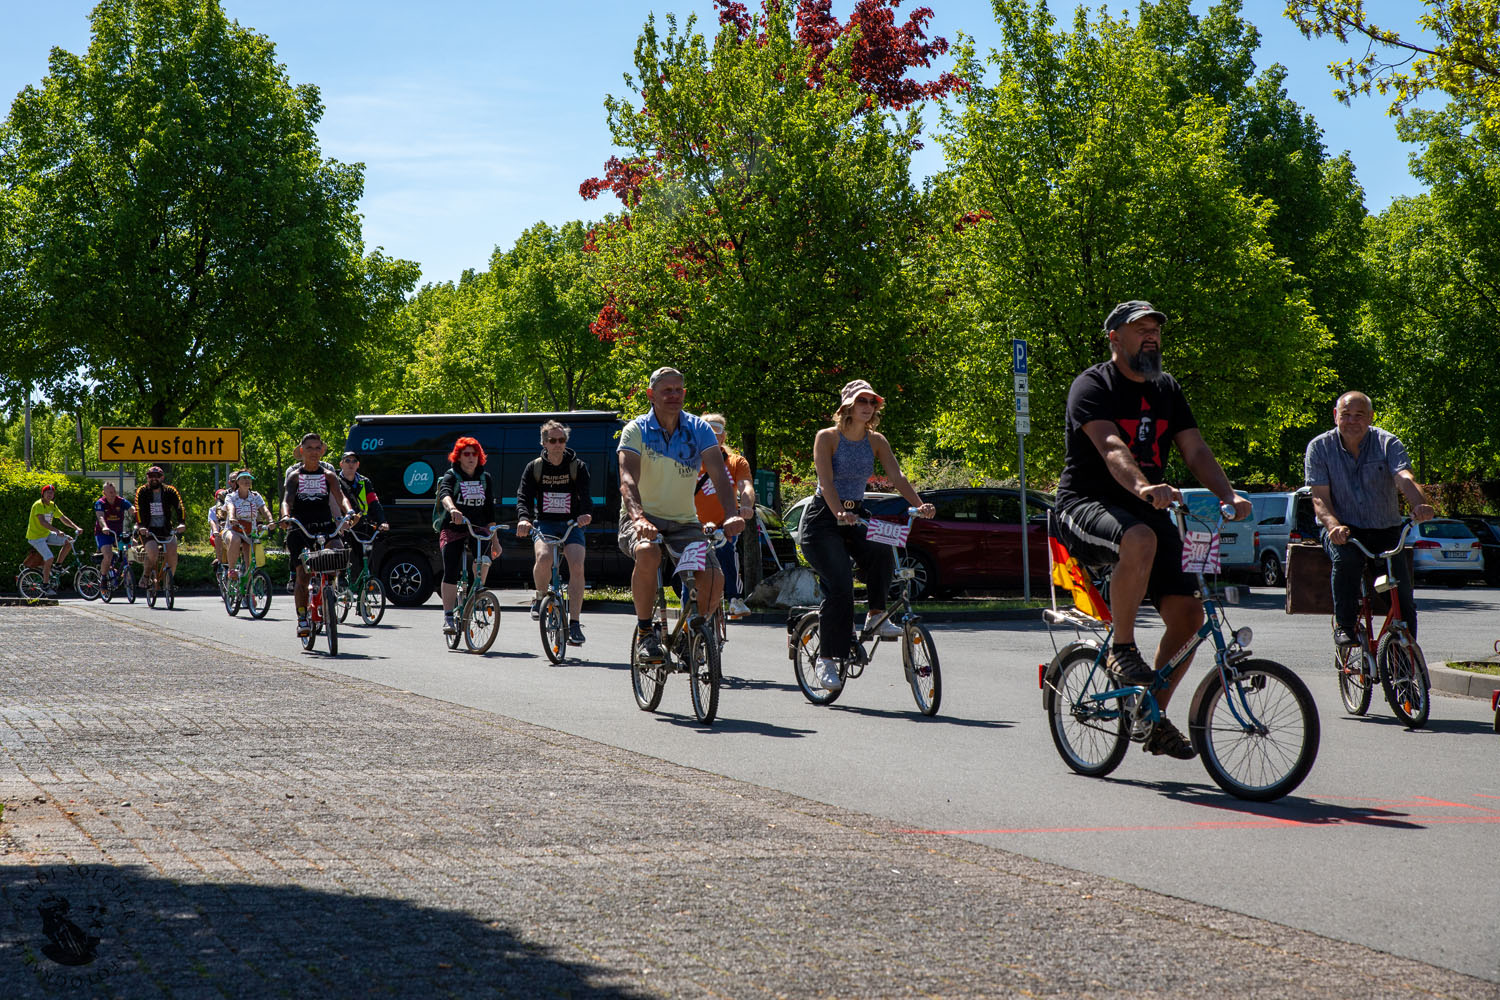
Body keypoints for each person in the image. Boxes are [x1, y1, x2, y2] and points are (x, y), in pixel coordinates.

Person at [1052, 300, 1251, 761]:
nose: (1151, 336)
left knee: (1189, 617)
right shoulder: (1091, 385)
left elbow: (1195, 450)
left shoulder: (1167, 389)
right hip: (1086, 503)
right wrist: (1144, 487)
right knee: (1139, 537)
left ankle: (1151, 718)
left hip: (1147, 507)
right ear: (1114, 338)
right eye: (1139, 329)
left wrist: (1227, 495)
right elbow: (1111, 447)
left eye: (1155, 330)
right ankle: (1122, 647)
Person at [800, 380, 934, 692]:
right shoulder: (827, 438)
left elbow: (897, 477)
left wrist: (920, 505)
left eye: (873, 402)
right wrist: (838, 513)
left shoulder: (876, 441)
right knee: (841, 585)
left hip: (857, 513)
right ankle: (827, 659)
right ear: (847, 404)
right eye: (863, 400)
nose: (869, 407)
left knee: (883, 549)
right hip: (823, 518)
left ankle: (876, 615)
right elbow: (827, 482)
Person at [617, 367, 746, 663]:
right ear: (651, 395)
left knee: (714, 579)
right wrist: (639, 519)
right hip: (642, 517)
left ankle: (688, 637)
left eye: (678, 390)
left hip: (684, 522)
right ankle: (646, 631)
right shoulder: (636, 430)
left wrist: (731, 514)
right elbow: (627, 479)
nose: (674, 395)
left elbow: (720, 476)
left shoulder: (699, 429)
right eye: (666, 390)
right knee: (648, 553)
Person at [1305, 390, 1435, 646]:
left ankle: (1406, 665)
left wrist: (1420, 504)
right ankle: (1345, 625)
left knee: (1400, 599)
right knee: (1347, 560)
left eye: (1359, 415)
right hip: (1343, 528)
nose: (1352, 421)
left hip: (1384, 528)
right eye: (1346, 415)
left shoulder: (1387, 442)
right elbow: (1319, 498)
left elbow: (1404, 478)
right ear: (1335, 416)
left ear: (1371, 417)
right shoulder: (1319, 447)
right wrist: (1333, 526)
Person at [516, 420, 593, 645]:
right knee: (544, 557)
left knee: (577, 564)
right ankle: (540, 598)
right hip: (545, 524)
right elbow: (523, 497)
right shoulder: (534, 467)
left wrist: (585, 514)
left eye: (561, 440)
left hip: (571, 524)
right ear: (544, 442)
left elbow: (586, 496)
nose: (557, 444)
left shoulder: (577, 467)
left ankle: (575, 623)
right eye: (552, 440)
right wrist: (524, 519)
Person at [280, 432, 355, 637]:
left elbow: (341, 498)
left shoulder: (328, 475)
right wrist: (286, 516)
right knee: (302, 576)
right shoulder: (295, 476)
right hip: (300, 528)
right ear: (302, 451)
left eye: (317, 448)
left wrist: (349, 513)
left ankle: (327, 592)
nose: (314, 452)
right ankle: (302, 617)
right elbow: (287, 500)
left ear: (321, 450)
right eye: (310, 448)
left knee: (337, 552)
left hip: (325, 526)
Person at [434, 436, 501, 636]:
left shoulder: (485, 478)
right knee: (451, 569)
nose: (471, 458)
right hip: (454, 527)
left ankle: (476, 594)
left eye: (474, 454)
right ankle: (448, 616)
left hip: (478, 527)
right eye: (467, 454)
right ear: (459, 456)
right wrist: (453, 509)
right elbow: (445, 494)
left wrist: (495, 539)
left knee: (485, 559)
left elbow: (490, 512)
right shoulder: (452, 475)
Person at [695, 413, 756, 620]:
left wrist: (746, 506)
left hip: (723, 524)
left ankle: (734, 599)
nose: (712, 434)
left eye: (717, 430)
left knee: (726, 549)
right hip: (694, 524)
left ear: (723, 436)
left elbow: (745, 486)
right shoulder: (690, 461)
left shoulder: (735, 462)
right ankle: (690, 612)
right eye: (706, 430)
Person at [335, 451, 390, 586]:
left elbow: (374, 503)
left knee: (366, 553)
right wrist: (339, 521)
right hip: (341, 523)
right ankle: (341, 577)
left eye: (354, 461)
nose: (351, 464)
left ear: (358, 465)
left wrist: (382, 521)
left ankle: (366, 582)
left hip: (361, 523)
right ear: (341, 464)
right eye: (347, 461)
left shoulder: (364, 482)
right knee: (342, 548)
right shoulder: (335, 481)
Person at [134, 466, 186, 587]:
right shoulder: (142, 491)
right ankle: (146, 575)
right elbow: (138, 509)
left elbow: (179, 507)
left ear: (161, 478)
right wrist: (141, 526)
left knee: (173, 552)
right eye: (150, 476)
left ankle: (169, 582)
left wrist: (182, 522)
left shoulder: (170, 491)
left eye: (156, 476)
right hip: (148, 529)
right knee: (153, 552)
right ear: (147, 478)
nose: (153, 479)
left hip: (165, 529)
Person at [26, 484, 80, 596]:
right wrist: (57, 531)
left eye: (51, 493)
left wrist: (76, 527)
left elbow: (63, 518)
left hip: (46, 534)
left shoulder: (52, 506)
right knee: (49, 557)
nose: (50, 495)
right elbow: (43, 522)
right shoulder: (38, 505)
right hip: (35, 537)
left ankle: (58, 566)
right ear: (43, 494)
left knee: (68, 541)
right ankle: (45, 585)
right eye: (47, 492)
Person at [221, 470, 271, 579]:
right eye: (244, 478)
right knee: (235, 540)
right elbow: (230, 507)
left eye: (249, 478)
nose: (247, 481)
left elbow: (264, 509)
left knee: (250, 564)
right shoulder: (231, 496)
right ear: (238, 482)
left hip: (249, 532)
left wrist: (270, 520)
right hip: (233, 529)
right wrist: (232, 517)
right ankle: (231, 570)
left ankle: (249, 591)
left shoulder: (255, 496)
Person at [92, 481, 133, 589]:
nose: (113, 494)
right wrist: (105, 527)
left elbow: (132, 510)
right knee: (108, 555)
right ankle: (104, 578)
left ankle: (126, 568)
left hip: (118, 533)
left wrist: (139, 518)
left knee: (132, 547)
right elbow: (100, 517)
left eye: (114, 491)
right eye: (110, 492)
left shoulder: (121, 501)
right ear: (104, 493)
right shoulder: (100, 503)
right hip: (103, 533)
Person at [208, 487, 229, 572]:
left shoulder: (230, 507)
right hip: (217, 534)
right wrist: (215, 530)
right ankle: (219, 560)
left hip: (228, 532)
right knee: (218, 538)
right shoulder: (213, 509)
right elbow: (212, 521)